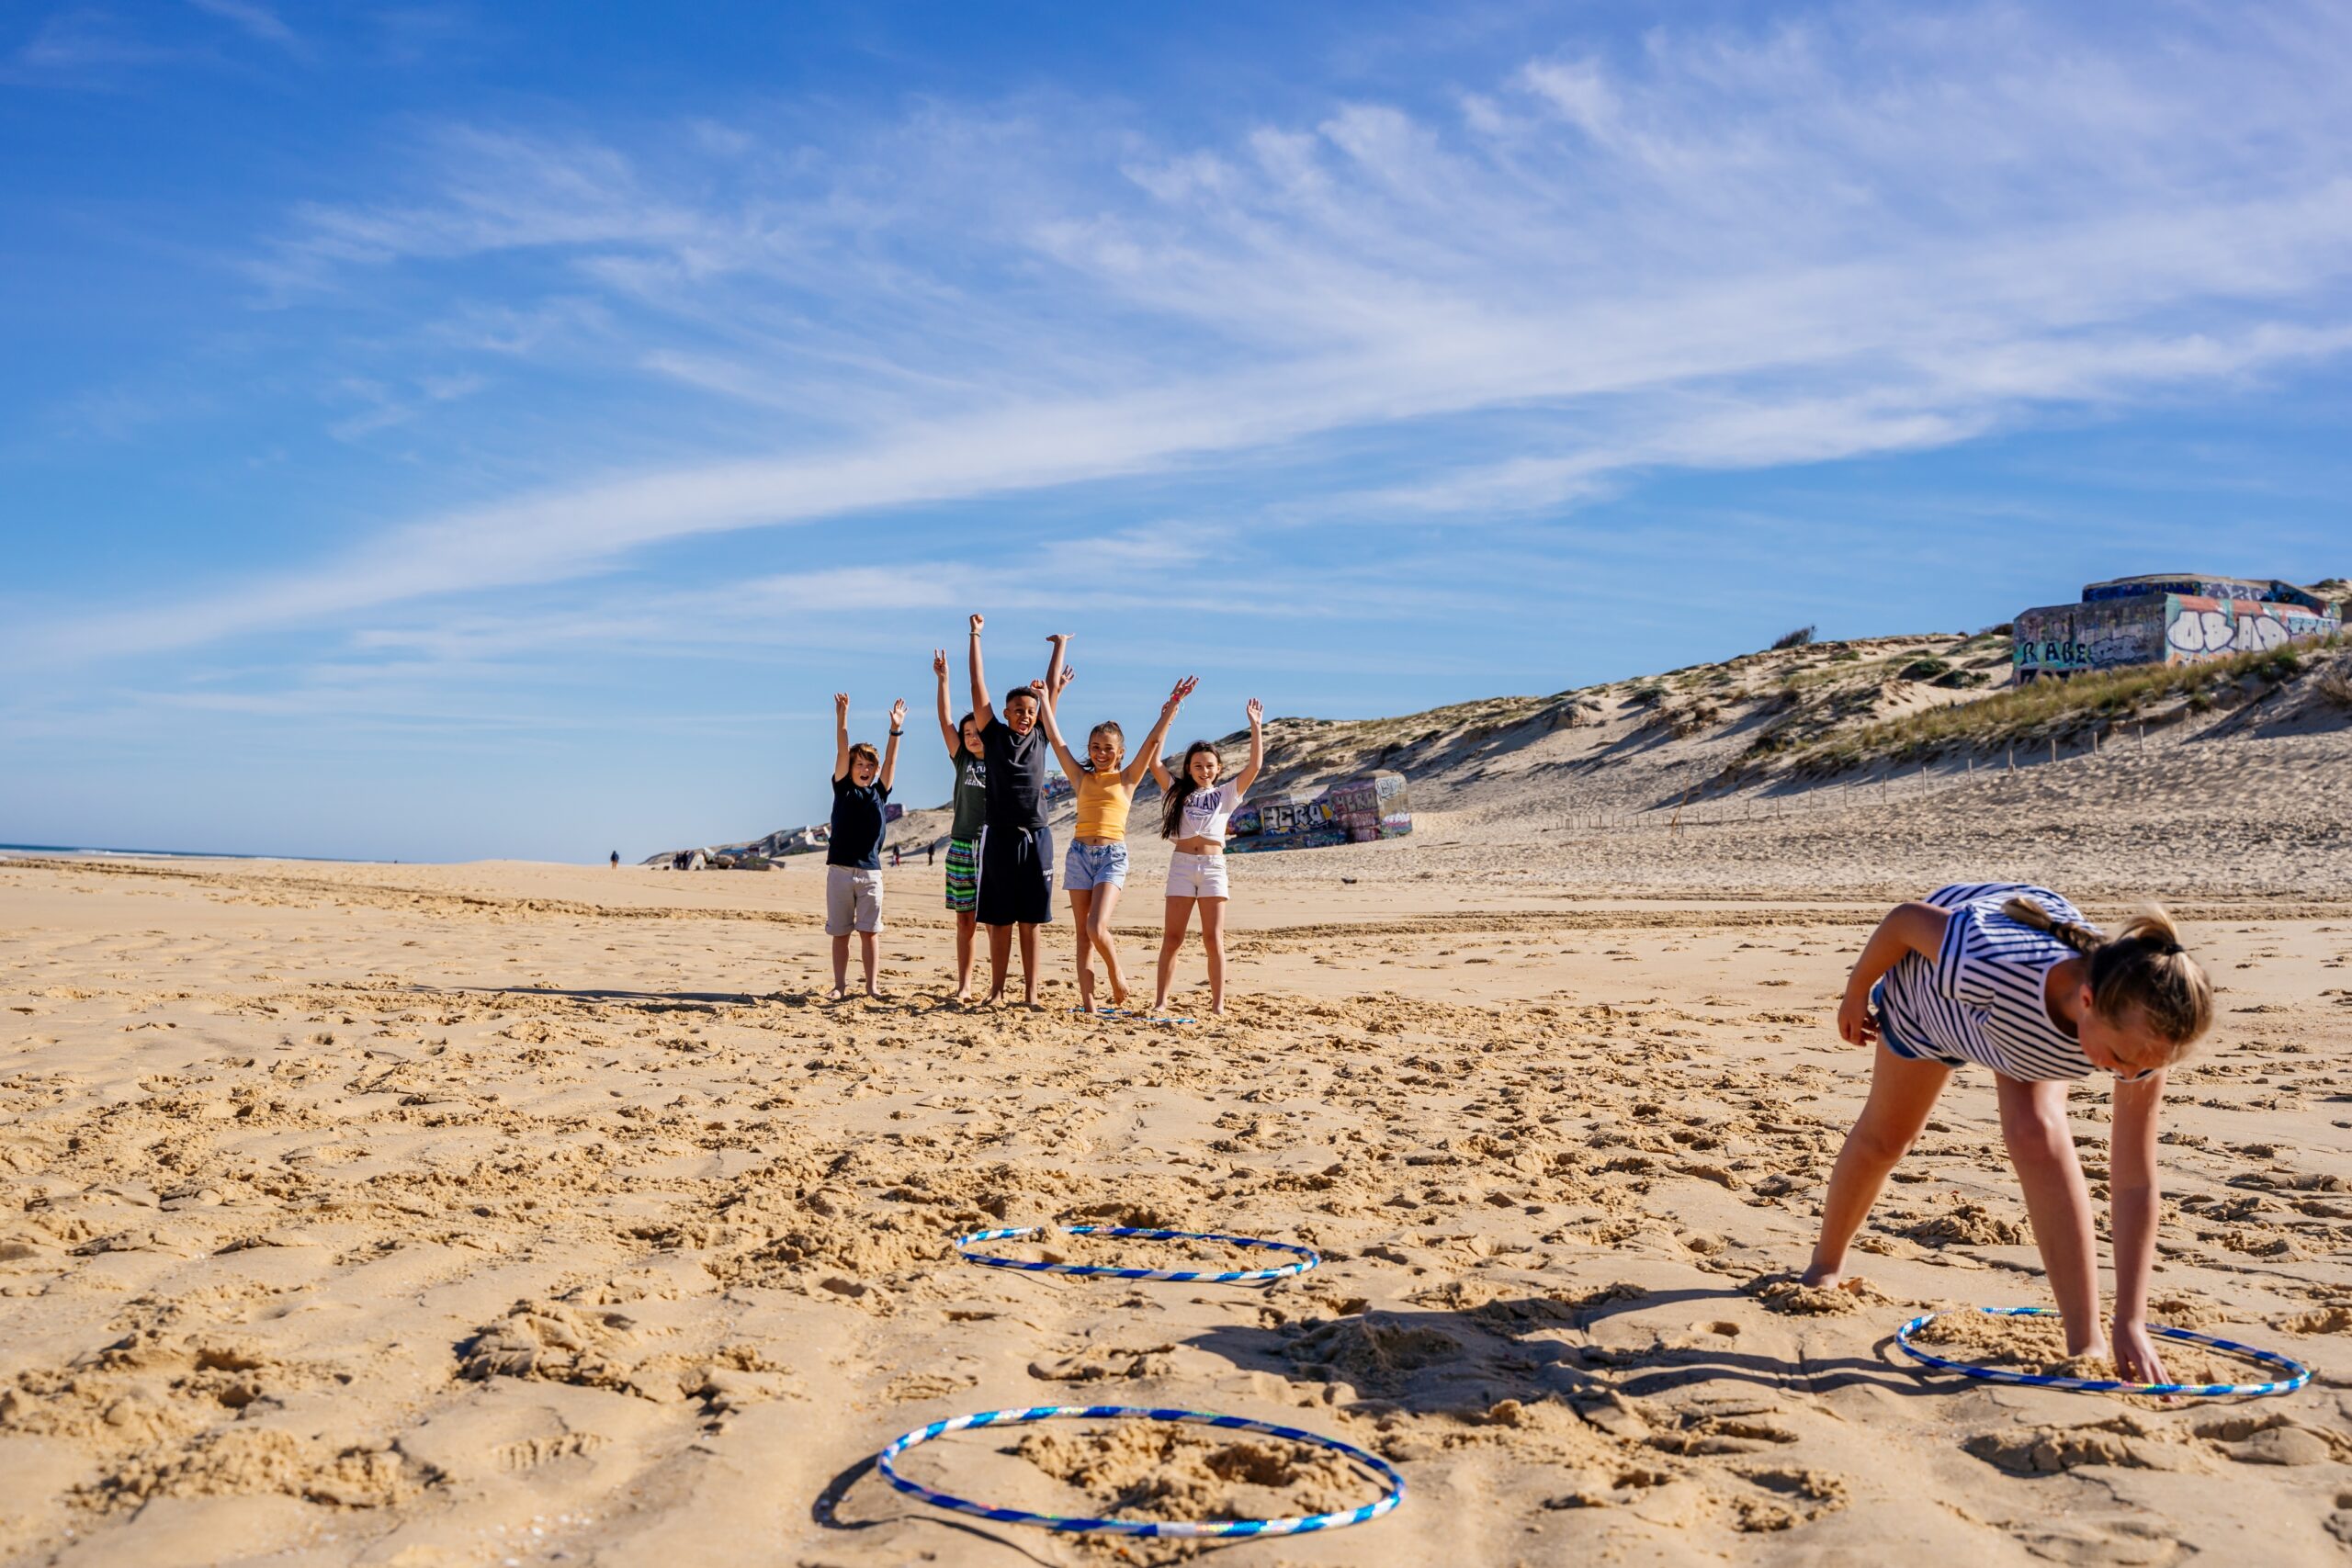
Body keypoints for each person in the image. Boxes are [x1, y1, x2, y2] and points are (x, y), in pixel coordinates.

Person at [1800, 883, 2214, 1381]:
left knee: (2037, 1133)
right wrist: (1855, 992)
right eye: (2121, 1062)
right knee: (1888, 1139)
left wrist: (2132, 1318)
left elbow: (2134, 1180)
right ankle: (1824, 1266)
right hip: (1930, 1002)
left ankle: (2086, 1340)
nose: (2128, 1078)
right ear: (2087, 1000)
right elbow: (1905, 921)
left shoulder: (2146, 1036)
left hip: (2024, 1035)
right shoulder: (1989, 959)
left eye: (2143, 1069)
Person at [1032, 647, 1195, 1013]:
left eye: (1108, 748)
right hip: (1078, 855)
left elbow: (1153, 741)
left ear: (1119, 752)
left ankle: (1117, 974)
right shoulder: (1080, 776)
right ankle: (1089, 1004)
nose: (1101, 753)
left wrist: (1171, 706)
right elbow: (1056, 740)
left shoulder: (1127, 778)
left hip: (1111, 856)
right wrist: (1044, 699)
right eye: (1095, 747)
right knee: (1082, 936)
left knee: (1096, 925)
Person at [965, 615, 1065, 1005]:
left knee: (1032, 920)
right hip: (1001, 835)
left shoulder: (1041, 734)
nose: (1025, 714)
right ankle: (997, 989)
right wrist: (975, 635)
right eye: (1018, 709)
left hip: (1037, 834)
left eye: (1030, 710)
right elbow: (977, 686)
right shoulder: (993, 735)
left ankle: (1032, 992)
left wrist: (1059, 647)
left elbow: (1052, 688)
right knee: (1000, 919)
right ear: (1005, 713)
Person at [1148, 697, 1265, 1018]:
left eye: (1210, 765)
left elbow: (1254, 767)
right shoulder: (1175, 790)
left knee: (1213, 940)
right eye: (1198, 765)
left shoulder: (1226, 793)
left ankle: (1218, 1005)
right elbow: (1153, 762)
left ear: (1219, 769)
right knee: (1172, 938)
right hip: (1182, 866)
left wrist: (1256, 727)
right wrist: (1167, 716)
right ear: (1188, 768)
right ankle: (1161, 1001)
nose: (1204, 770)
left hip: (1213, 868)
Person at [824, 693, 905, 1000]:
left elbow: (892, 760)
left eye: (870, 765)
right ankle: (840, 986)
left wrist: (895, 729)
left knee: (870, 933)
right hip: (840, 871)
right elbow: (841, 746)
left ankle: (872, 987)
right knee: (841, 933)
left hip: (871, 872)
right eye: (860, 764)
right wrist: (842, 716)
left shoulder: (879, 792)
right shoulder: (842, 786)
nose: (865, 769)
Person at [931, 648, 991, 1002]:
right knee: (965, 920)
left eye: (977, 732)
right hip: (961, 844)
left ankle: (997, 983)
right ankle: (965, 985)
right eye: (967, 733)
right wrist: (943, 680)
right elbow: (944, 720)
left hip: (992, 844)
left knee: (997, 920)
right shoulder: (962, 759)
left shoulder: (1003, 757)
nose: (971, 737)